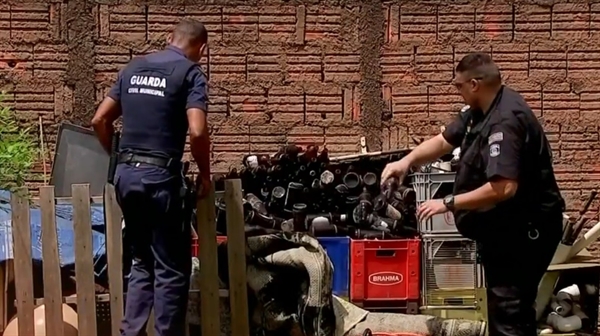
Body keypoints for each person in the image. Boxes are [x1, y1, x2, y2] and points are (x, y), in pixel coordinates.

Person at [381, 53, 565, 336]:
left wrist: (447, 202)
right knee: (506, 308)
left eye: (459, 85)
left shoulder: (505, 120)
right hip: (506, 228)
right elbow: (444, 140)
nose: (457, 90)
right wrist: (406, 161)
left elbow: (504, 187)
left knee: (510, 309)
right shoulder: (481, 110)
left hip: (527, 231)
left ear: (475, 84)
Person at [91, 18, 212, 336]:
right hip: (161, 180)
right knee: (171, 268)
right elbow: (198, 130)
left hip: (126, 177)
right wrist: (205, 174)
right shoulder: (190, 73)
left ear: (169, 37)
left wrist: (116, 159)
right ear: (202, 48)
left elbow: (99, 120)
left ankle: (129, 333)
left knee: (142, 261)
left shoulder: (132, 69)